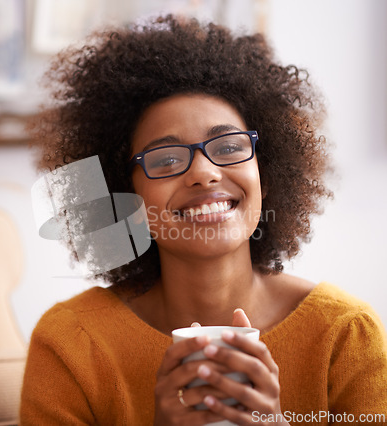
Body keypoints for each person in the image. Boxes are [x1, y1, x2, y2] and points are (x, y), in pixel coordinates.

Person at [20, 15, 387, 425]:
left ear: (265, 172)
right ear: (123, 195)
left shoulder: (344, 334)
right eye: (167, 159)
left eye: (229, 147)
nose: (204, 173)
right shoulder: (72, 345)